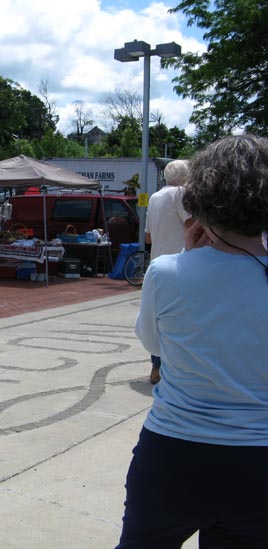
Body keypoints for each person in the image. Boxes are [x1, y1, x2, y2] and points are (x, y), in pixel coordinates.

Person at [117, 134, 268, 547]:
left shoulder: (167, 272)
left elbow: (154, 344)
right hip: (258, 457)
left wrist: (187, 257)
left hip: (174, 451)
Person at [143, 159, 191, 384]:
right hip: (181, 264)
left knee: (159, 318)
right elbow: (192, 224)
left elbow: (148, 237)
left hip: (157, 265)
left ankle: (157, 366)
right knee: (180, 319)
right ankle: (176, 367)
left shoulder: (154, 197)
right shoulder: (180, 194)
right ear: (184, 178)